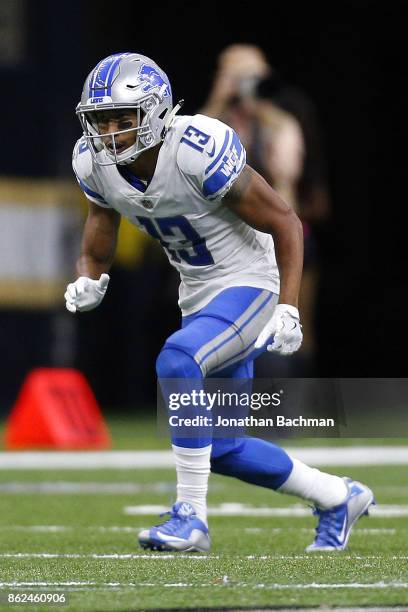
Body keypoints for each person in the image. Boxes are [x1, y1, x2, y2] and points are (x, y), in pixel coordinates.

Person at [66, 52, 374, 553]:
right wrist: (91, 275)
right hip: (201, 294)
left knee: (177, 357)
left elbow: (286, 222)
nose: (111, 134)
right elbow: (101, 223)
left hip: (252, 281)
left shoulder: (196, 148)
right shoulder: (92, 163)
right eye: (101, 121)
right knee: (223, 449)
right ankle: (339, 496)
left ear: (158, 113)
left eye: (124, 120)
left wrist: (289, 306)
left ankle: (190, 518)